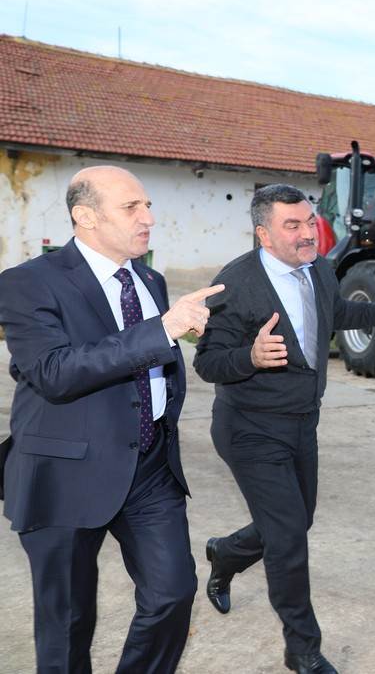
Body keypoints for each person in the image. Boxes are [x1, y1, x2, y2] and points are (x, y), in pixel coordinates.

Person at [194, 184, 375, 674]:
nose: (308, 233)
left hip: (302, 424)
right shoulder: (234, 284)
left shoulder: (319, 269)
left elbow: (337, 312)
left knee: (295, 521)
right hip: (250, 429)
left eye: (309, 221)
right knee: (288, 539)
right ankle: (302, 649)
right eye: (293, 225)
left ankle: (226, 553)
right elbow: (207, 362)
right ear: (264, 234)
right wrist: (250, 357)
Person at [0, 166, 224, 673]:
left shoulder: (150, 279)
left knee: (172, 593)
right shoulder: (27, 282)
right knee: (67, 622)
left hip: (148, 466)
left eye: (148, 206)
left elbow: (152, 363)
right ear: (85, 216)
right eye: (131, 207)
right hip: (64, 471)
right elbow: (53, 373)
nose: (148, 218)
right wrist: (163, 329)